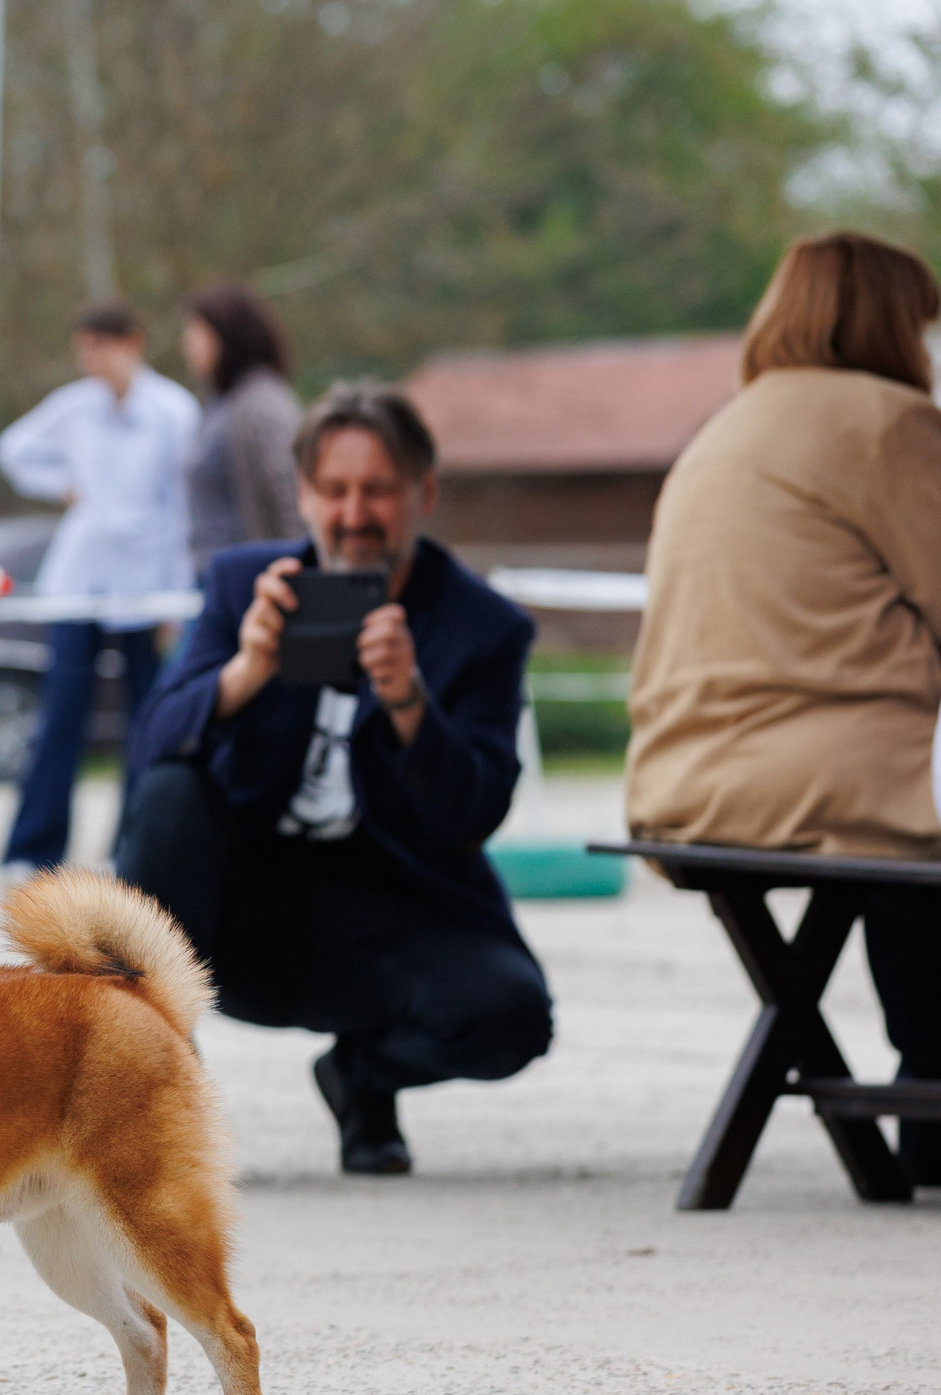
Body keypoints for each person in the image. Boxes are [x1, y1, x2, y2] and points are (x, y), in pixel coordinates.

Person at [117, 382, 552, 1176]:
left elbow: (478, 810)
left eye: (378, 490)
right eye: (335, 490)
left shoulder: (482, 626)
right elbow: (149, 749)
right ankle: (153, 1092)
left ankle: (359, 1079)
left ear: (423, 492)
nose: (355, 514)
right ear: (304, 497)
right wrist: (246, 671)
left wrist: (411, 706)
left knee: (512, 1017)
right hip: (246, 911)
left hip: (394, 912)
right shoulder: (245, 585)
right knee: (172, 796)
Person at [627, 231, 941, 1188]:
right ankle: (930, 1086)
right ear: (893, 320)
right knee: (911, 839)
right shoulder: (889, 423)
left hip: (684, 781)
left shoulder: (725, 429)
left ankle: (927, 1088)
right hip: (832, 777)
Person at [0, 300, 202, 872]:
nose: (92, 360)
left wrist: (175, 598)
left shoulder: (172, 411)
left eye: (100, 346)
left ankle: (133, 847)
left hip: (145, 585)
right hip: (80, 581)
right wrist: (61, 484)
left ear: (130, 343)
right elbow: (12, 449)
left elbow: (183, 509)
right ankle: (33, 848)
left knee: (146, 720)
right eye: (84, 348)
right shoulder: (76, 407)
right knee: (61, 715)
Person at [181, 281, 304, 562]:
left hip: (255, 577)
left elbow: (290, 497)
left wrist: (297, 571)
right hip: (218, 573)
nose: (187, 344)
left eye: (196, 332)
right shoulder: (220, 402)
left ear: (226, 335)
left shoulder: (260, 405)